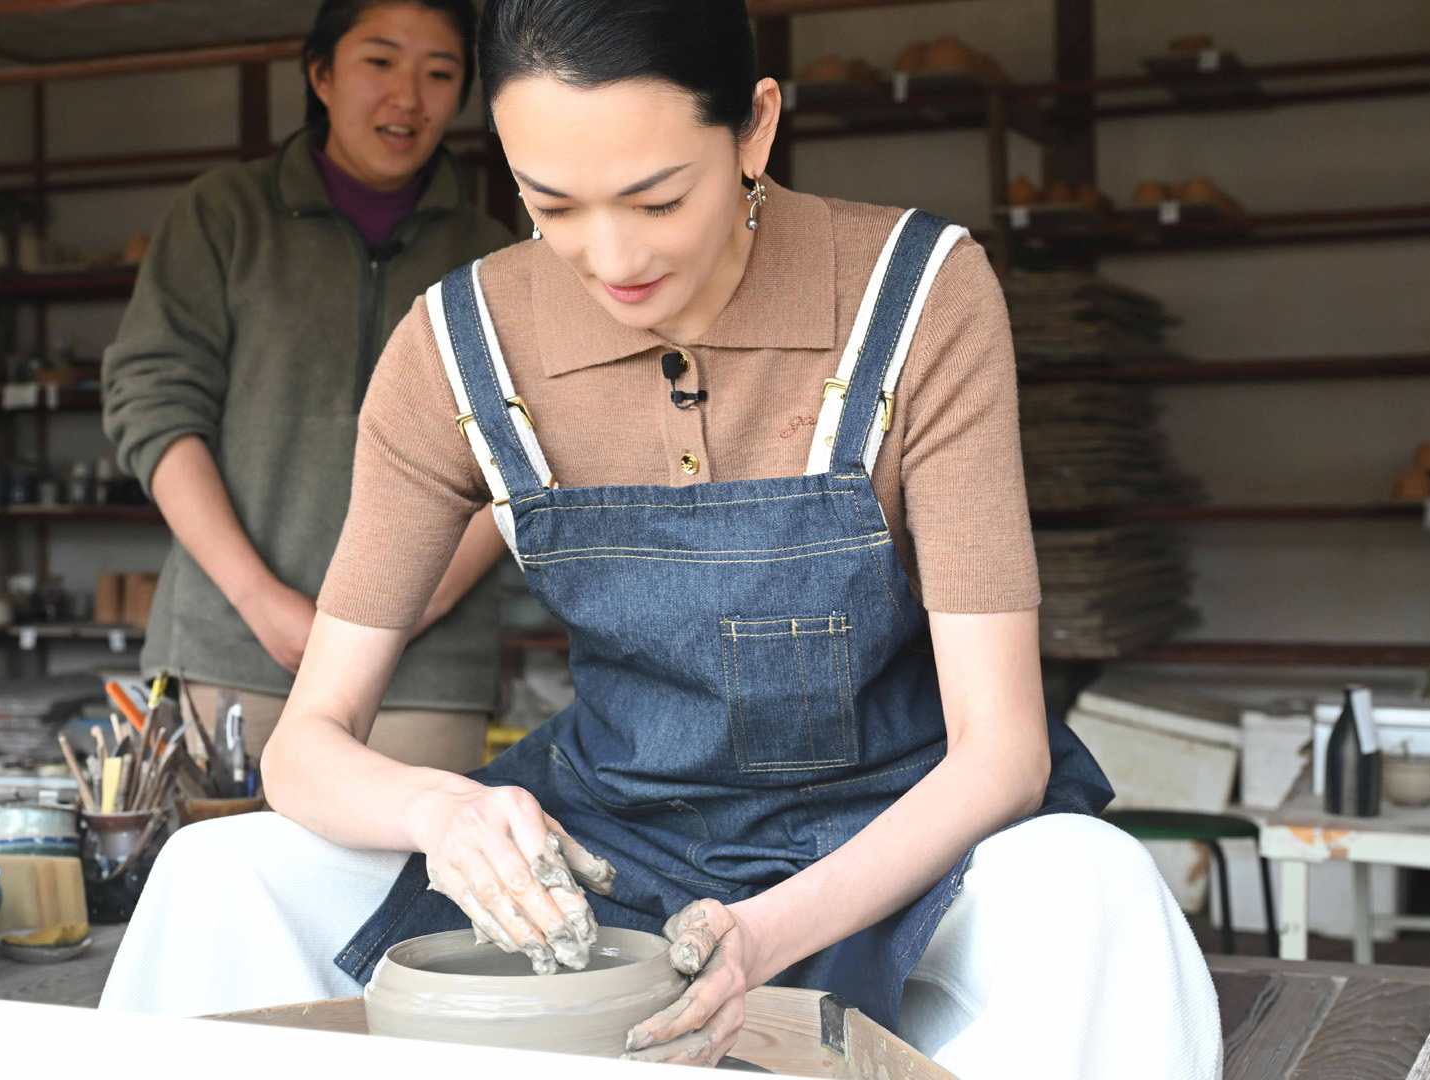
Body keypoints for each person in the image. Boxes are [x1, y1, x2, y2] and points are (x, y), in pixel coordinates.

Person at [103, 2, 1220, 1076]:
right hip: (609, 836)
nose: (607, 257)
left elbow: (1004, 752)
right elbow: (308, 746)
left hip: (899, 828)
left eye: (654, 198)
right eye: (553, 202)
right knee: (218, 873)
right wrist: (439, 809)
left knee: (1098, 893)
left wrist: (764, 936)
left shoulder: (920, 292)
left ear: (755, 128)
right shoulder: (458, 342)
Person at [102, 0, 511, 774]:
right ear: (321, 74)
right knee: (227, 878)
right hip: (234, 647)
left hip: (424, 670)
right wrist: (258, 599)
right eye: (380, 61)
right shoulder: (223, 215)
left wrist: (417, 603)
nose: (408, 96)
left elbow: (531, 442)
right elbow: (153, 406)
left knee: (412, 889)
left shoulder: (494, 257)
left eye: (440, 72)